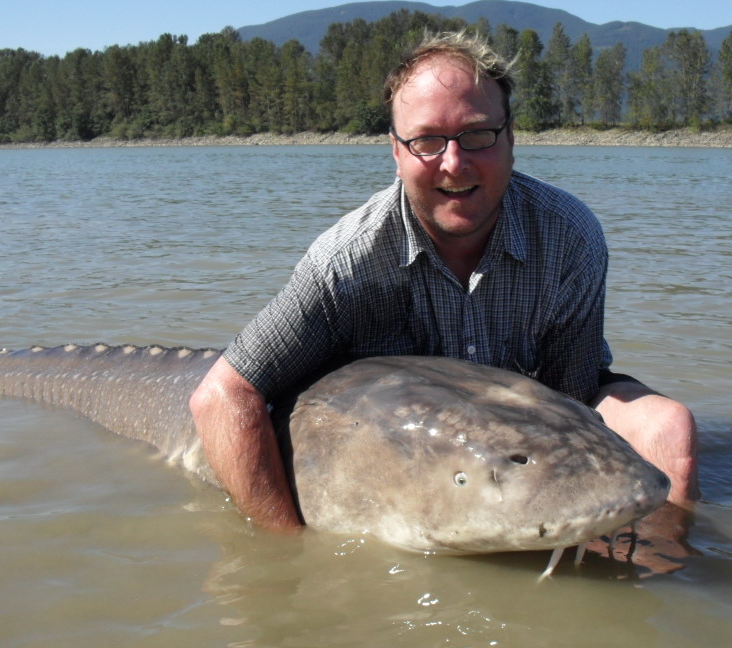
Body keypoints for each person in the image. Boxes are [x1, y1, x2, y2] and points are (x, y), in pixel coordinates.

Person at [189, 31, 699, 533]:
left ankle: (661, 575)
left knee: (666, 427)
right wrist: (287, 555)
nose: (455, 163)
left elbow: (572, 392)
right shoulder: (346, 261)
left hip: (502, 424)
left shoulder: (568, 234)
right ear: (396, 151)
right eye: (427, 140)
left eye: (477, 135)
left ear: (511, 138)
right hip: (405, 431)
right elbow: (222, 397)